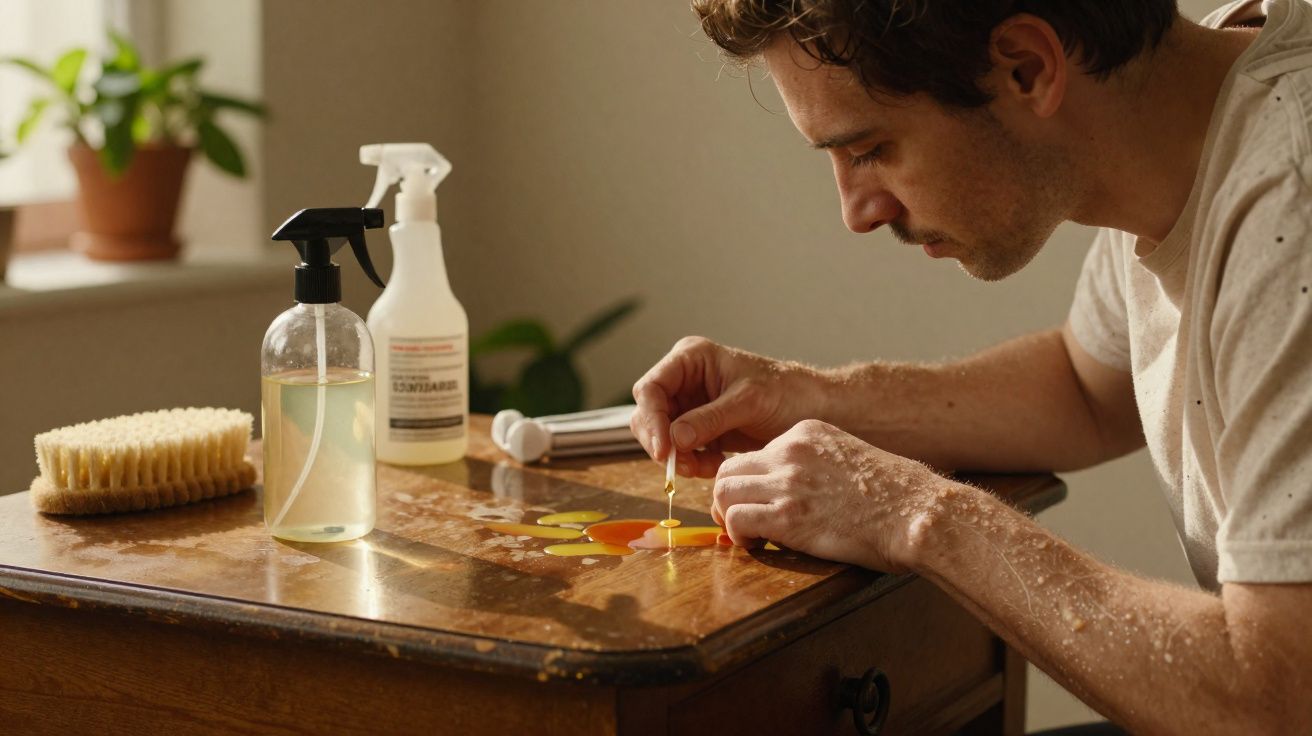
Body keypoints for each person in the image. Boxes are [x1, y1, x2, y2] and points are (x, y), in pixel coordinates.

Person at [629, 1, 1312, 733]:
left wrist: (913, 513)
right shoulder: (1181, 121)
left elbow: (1272, 700)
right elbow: (1085, 390)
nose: (856, 211)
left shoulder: (1289, 211)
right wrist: (803, 395)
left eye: (869, 149)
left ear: (1026, 67)